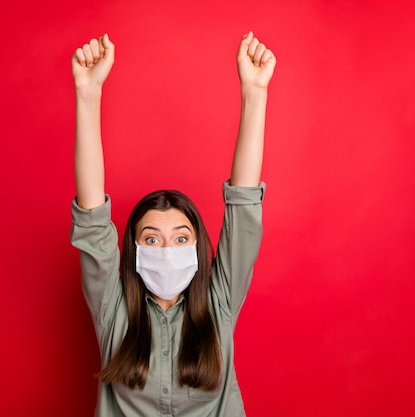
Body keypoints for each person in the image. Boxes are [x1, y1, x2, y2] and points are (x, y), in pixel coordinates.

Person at [70, 31, 275, 417]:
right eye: (152, 239)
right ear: (133, 251)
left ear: (197, 248)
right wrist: (87, 93)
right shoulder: (113, 312)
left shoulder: (220, 306)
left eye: (181, 238)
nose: (167, 251)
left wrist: (254, 92)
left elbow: (244, 205)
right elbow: (93, 218)